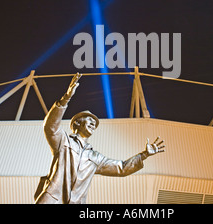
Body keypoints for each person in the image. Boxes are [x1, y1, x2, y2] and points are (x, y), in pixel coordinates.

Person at [35, 73, 165, 204]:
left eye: (95, 123)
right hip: (52, 199)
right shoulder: (64, 142)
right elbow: (50, 127)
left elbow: (121, 168)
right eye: (89, 120)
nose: (93, 124)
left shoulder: (95, 158)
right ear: (77, 123)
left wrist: (144, 155)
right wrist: (65, 99)